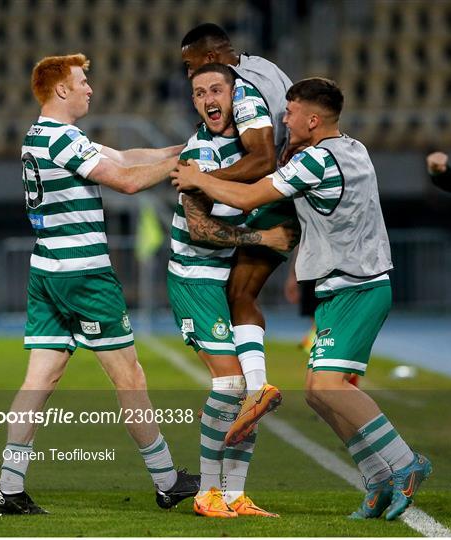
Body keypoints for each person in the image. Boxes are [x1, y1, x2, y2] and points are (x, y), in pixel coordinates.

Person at [171, 77, 432, 521]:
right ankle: (375, 478)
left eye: (290, 113)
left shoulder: (316, 161)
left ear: (312, 119)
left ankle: (406, 463)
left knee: (329, 386)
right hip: (341, 287)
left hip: (357, 288)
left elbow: (252, 194)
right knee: (317, 393)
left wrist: (199, 179)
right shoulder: (354, 148)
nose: (282, 119)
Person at [0, 53, 199, 515]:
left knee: (39, 380)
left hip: (47, 270)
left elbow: (122, 156)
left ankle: (8, 488)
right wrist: (183, 170)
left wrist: (182, 150)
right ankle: (167, 480)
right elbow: (124, 180)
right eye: (82, 81)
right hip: (85, 274)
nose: (89, 89)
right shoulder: (62, 140)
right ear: (60, 89)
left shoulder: (40, 137)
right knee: (130, 377)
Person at [169, 63, 295, 518]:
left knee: (250, 398)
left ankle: (236, 493)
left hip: (221, 278)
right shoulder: (198, 152)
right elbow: (201, 231)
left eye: (215, 89)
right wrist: (264, 239)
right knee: (230, 384)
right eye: (199, 93)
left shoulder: (242, 149)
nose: (207, 99)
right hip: (193, 279)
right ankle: (207, 492)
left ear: (233, 94)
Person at [180, 23, 299, 443]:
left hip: (280, 191)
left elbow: (263, 157)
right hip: (293, 184)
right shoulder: (264, 67)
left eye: (190, 65)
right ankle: (259, 386)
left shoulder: (243, 90)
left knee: (240, 294)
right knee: (243, 293)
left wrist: (205, 179)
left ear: (211, 60)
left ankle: (258, 388)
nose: (189, 75)